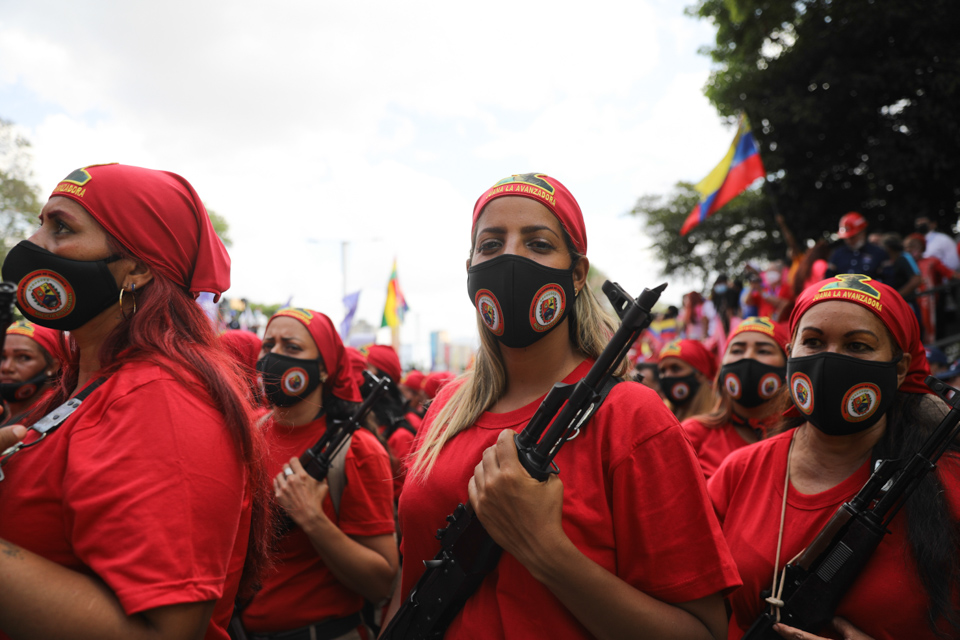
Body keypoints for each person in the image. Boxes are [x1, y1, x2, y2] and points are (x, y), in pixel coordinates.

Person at [387, 173, 739, 639]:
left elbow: (703, 630)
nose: (511, 256)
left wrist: (543, 549)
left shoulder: (631, 416)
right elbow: (412, 579)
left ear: (576, 274)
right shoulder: (447, 407)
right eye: (491, 245)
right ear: (470, 269)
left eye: (537, 244)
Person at [0, 163, 269, 640]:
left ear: (139, 267)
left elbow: (166, 632)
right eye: (41, 223)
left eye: (62, 227)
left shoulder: (162, 401)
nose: (36, 243)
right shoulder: (83, 388)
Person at [709, 274, 960, 639]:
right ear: (789, 353)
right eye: (812, 342)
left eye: (857, 345)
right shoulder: (739, 471)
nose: (829, 359)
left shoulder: (948, 479)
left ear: (901, 367)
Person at [239, 308, 397, 639]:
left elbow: (382, 582)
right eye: (269, 345)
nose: (274, 356)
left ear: (324, 368)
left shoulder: (357, 451)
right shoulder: (247, 432)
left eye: (291, 347)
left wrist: (312, 519)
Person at [682, 317, 789, 479]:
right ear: (722, 366)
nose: (748, 358)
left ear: (787, 366)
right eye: (737, 350)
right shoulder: (692, 434)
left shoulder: (805, 438)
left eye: (763, 351)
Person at [0, 319, 62, 426]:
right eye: (2, 357)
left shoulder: (55, 414)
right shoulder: (5, 409)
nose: (6, 367)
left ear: (52, 366)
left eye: (24, 357)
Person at [658, 338, 720, 422]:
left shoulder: (719, 419)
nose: (667, 376)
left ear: (700, 374)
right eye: (663, 371)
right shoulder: (661, 420)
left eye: (676, 368)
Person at [825, 212, 888, 281]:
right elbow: (828, 279)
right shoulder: (838, 254)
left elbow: (888, 279)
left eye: (852, 237)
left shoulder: (878, 253)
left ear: (862, 232)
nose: (849, 241)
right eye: (846, 238)